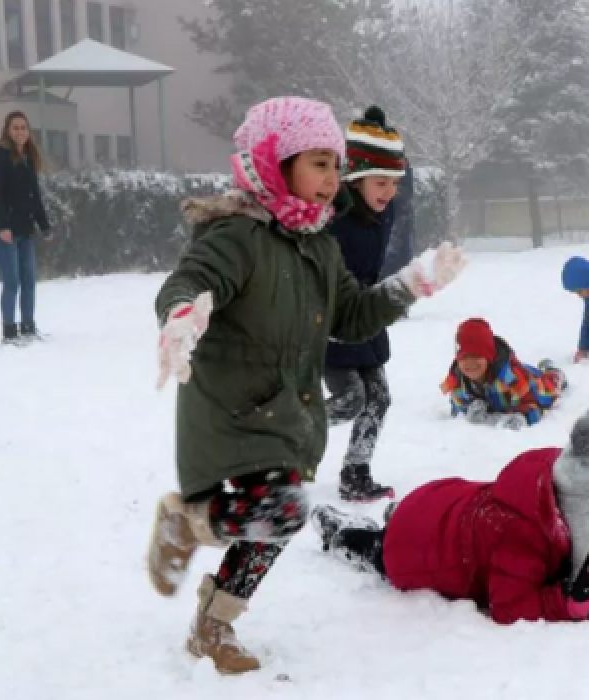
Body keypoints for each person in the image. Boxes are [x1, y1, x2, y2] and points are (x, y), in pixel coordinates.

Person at [144, 97, 465, 675]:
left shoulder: (317, 241)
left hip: (288, 412)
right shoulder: (237, 235)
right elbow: (191, 279)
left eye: (335, 165)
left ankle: (212, 628)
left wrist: (412, 283)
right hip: (234, 410)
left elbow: (352, 315)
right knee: (282, 511)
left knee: (276, 523)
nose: (331, 179)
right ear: (276, 161)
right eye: (319, 163)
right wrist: (182, 314)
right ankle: (187, 524)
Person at [310, 405, 589, 624]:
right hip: (417, 549)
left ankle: (398, 516)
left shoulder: (561, 480)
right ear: (582, 513)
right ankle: (341, 533)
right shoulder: (522, 533)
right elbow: (508, 607)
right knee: (381, 549)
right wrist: (563, 603)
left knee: (416, 523)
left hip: (440, 503)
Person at [324, 106, 410, 503]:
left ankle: (355, 472)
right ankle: (286, 433)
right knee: (348, 400)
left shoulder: (384, 209)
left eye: (394, 182)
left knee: (379, 397)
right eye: (381, 182)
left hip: (367, 314)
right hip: (331, 321)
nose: (389, 191)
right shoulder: (330, 214)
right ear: (355, 178)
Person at [0, 111, 52, 345]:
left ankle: (28, 326)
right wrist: (2, 226)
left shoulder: (28, 157)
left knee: (29, 281)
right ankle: (9, 330)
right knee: (12, 281)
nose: (20, 132)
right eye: (15, 128)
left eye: (24, 127)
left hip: (24, 230)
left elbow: (34, 196)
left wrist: (44, 224)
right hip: (4, 232)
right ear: (7, 130)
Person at [440, 318, 567, 429]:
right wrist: (468, 410)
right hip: (513, 380)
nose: (470, 363)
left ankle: (553, 371)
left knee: (549, 386)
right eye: (464, 357)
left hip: (533, 384)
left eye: (476, 356)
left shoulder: (512, 379)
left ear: (488, 356)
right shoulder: (457, 380)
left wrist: (522, 417)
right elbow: (456, 407)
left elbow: (534, 406)